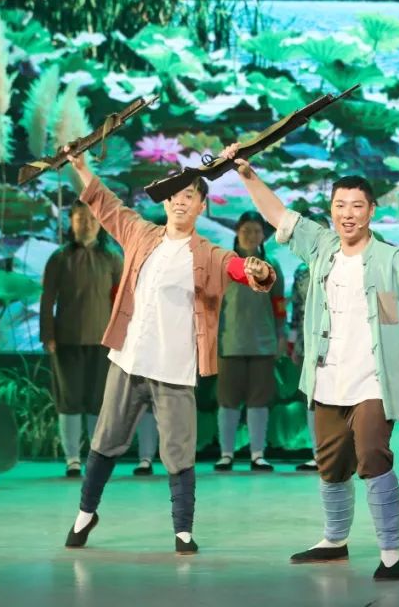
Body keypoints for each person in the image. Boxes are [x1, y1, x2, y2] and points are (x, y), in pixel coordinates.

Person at [223, 143, 399, 581]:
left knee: (373, 458)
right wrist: (247, 175)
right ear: (331, 210)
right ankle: (334, 539)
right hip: (327, 380)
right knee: (330, 463)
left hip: (372, 383)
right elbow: (279, 216)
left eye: (357, 206)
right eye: (340, 205)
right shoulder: (321, 245)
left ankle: (390, 551)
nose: (348, 214)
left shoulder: (387, 257)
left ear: (371, 211)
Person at [62, 147, 275, 555]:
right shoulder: (140, 234)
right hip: (129, 359)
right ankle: (86, 513)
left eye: (189, 196)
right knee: (105, 440)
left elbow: (239, 268)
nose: (180, 201)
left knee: (178, 450)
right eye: (175, 195)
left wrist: (258, 270)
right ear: (166, 201)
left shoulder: (208, 252)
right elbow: (106, 204)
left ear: (201, 205)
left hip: (174, 368)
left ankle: (183, 530)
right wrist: (82, 167)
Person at [41, 203, 123, 478]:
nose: (86, 224)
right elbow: (47, 299)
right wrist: (48, 335)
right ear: (71, 222)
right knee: (70, 399)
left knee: (98, 400)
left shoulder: (112, 258)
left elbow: (122, 301)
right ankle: (72, 458)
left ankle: (95, 457)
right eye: (80, 219)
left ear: (100, 224)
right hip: (67, 340)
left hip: (103, 341)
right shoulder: (59, 258)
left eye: (92, 219)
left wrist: (122, 336)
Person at [214, 211, 287, 473]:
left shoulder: (272, 265)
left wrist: (281, 336)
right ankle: (226, 454)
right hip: (229, 343)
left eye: (256, 231)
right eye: (246, 230)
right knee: (228, 400)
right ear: (237, 232)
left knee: (259, 400)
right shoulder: (225, 264)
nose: (251, 236)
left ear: (263, 236)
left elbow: (279, 305)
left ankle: (258, 454)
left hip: (263, 343)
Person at [289, 261, 321, 472]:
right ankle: (318, 454)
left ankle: (341, 452)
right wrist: (292, 343)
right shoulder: (301, 271)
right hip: (306, 343)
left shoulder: (341, 263)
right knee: (311, 399)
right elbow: (296, 308)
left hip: (337, 343)